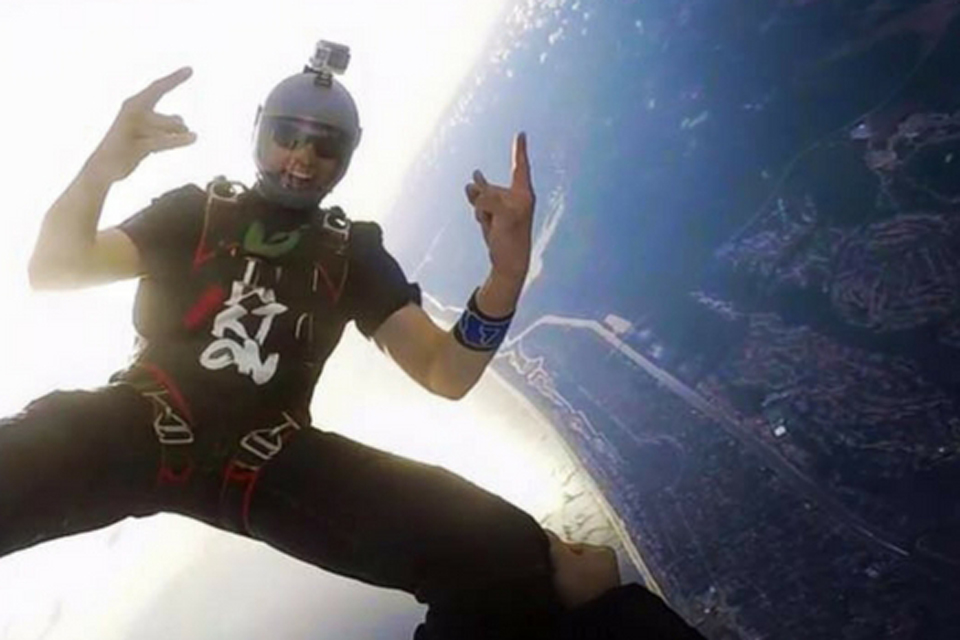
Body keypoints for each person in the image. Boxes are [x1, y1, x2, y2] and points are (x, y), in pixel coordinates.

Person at [4, 45, 706, 638]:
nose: (303, 160)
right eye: (288, 136)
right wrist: (104, 165)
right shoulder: (196, 212)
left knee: (532, 561)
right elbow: (57, 267)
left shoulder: (350, 253)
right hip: (140, 424)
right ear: (259, 133)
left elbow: (443, 371)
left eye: (325, 145)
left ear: (346, 158)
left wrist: (505, 276)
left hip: (267, 458)